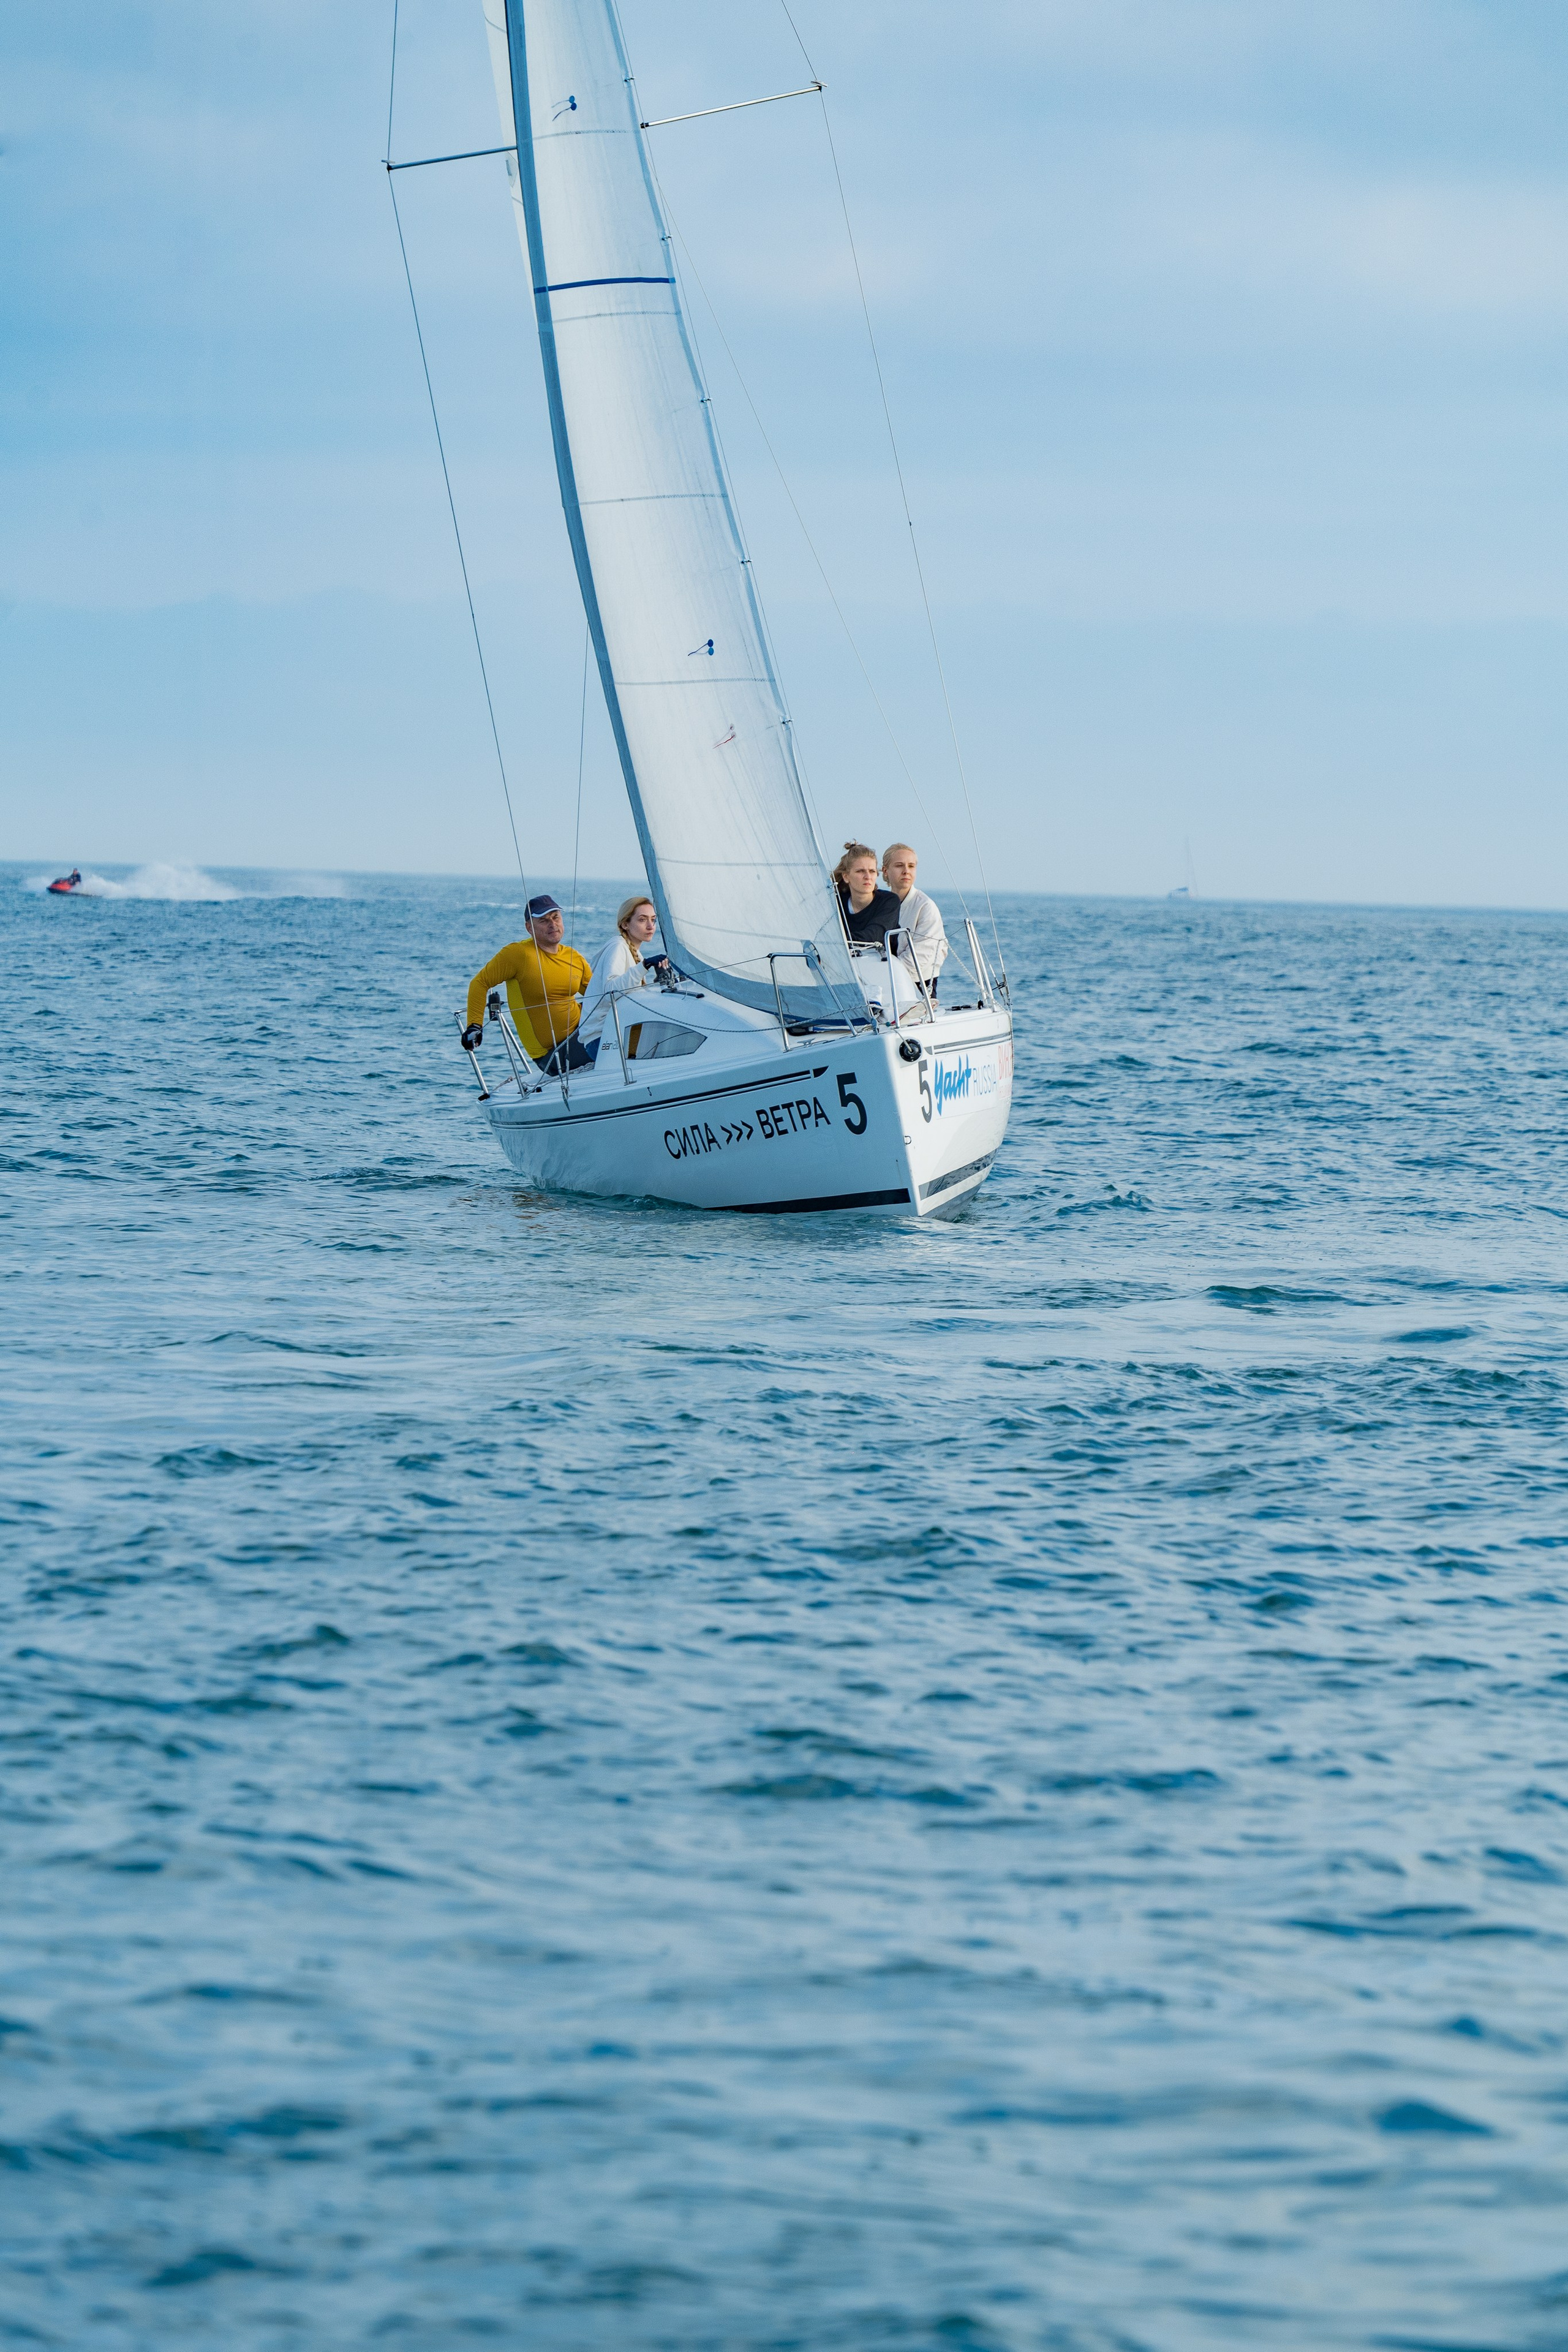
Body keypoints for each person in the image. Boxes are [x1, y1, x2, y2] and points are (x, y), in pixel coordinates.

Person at [464, 893, 594, 1072]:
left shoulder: (574, 957)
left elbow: (598, 994)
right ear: (529, 928)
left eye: (556, 917)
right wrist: (474, 1026)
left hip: (584, 1031)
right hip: (554, 1054)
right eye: (544, 921)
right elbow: (480, 982)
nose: (552, 924)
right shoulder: (518, 954)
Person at [578, 895, 660, 1049]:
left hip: (619, 1031)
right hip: (601, 1038)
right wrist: (645, 966)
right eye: (643, 920)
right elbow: (611, 991)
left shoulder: (634, 952)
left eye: (653, 920)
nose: (651, 926)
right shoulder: (618, 947)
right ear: (625, 924)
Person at [881, 842, 948, 994]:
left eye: (911, 866)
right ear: (885, 871)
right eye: (899, 866)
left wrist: (885, 978)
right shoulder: (881, 904)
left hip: (918, 985)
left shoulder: (926, 907)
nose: (906, 871)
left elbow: (920, 957)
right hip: (885, 981)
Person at [834, 841, 904, 948]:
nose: (868, 877)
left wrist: (835, 942)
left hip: (880, 958)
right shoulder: (835, 902)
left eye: (872, 871)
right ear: (846, 877)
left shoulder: (889, 901)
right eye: (860, 871)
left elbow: (875, 935)